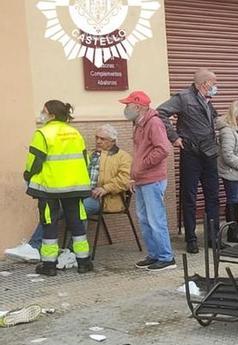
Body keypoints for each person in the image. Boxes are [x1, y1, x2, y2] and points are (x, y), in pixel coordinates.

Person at [6, 124, 130, 264]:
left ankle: (73, 252)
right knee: (53, 211)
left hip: (104, 198)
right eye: (96, 138)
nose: (98, 141)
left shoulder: (122, 157)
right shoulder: (90, 154)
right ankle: (35, 246)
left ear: (113, 141)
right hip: (80, 193)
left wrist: (106, 188)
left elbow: (125, 179)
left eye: (103, 139)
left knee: (79, 211)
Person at [20, 100, 92, 276]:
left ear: (51, 114)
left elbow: (35, 162)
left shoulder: (43, 133)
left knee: (50, 225)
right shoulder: (75, 133)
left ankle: (49, 266)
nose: (41, 114)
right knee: (77, 224)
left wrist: (27, 176)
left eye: (43, 111)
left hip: (49, 187)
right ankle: (83, 262)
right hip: (75, 187)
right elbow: (85, 160)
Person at [157, 68, 220, 254]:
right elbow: (161, 113)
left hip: (209, 152)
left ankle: (213, 238)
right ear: (204, 84)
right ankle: (191, 239)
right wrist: (174, 137)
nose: (216, 87)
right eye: (214, 83)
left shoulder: (207, 100)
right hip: (191, 153)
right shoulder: (184, 97)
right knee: (189, 197)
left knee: (213, 196)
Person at [121, 90, 176, 271]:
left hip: (152, 180)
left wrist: (142, 166)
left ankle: (166, 258)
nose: (125, 108)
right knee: (144, 220)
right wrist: (134, 175)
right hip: (142, 180)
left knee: (155, 220)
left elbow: (163, 149)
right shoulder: (139, 124)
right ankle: (154, 255)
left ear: (138, 106)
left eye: (128, 105)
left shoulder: (154, 123)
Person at [217, 100, 238, 242]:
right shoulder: (227, 130)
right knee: (233, 200)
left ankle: (236, 228)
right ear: (233, 116)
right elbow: (227, 155)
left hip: (237, 170)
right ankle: (232, 232)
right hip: (230, 171)